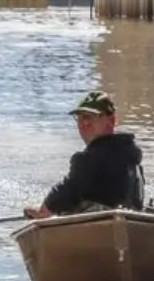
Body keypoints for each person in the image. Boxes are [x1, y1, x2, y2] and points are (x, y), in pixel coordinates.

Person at [24, 91, 145, 219]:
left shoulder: (90, 159)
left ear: (112, 120)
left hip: (102, 225)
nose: (84, 123)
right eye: (80, 117)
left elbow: (71, 188)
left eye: (91, 117)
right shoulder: (131, 155)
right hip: (132, 221)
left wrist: (44, 210)